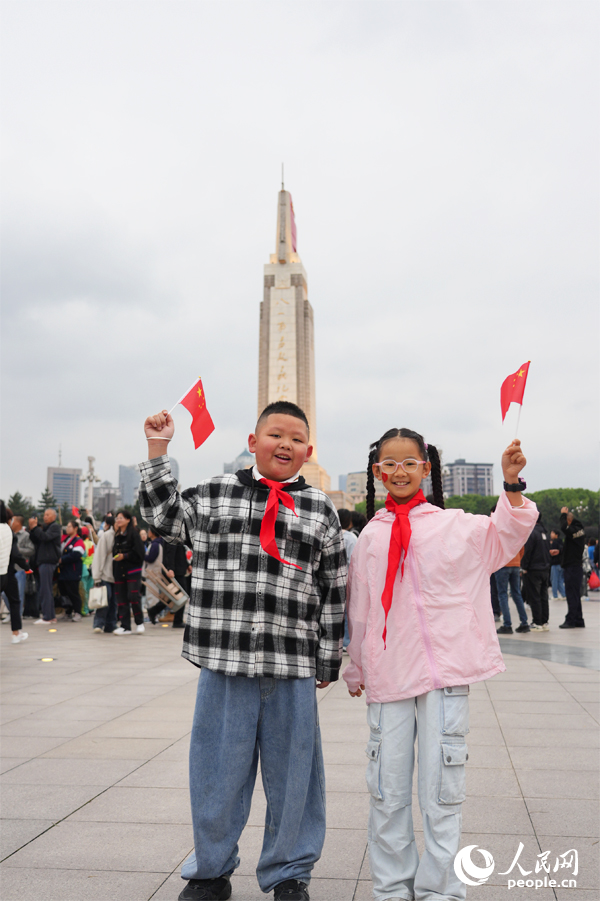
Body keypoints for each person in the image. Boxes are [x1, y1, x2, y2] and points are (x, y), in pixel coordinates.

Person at [139, 401, 346, 901]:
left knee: (295, 775)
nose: (285, 444)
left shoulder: (320, 509)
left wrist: (329, 660)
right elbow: (160, 517)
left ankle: (289, 873)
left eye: (296, 438)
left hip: (291, 663)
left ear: (308, 451)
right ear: (253, 442)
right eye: (275, 434)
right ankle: (211, 870)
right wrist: (158, 449)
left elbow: (335, 588)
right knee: (216, 772)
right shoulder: (213, 495)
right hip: (225, 661)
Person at [343, 428, 537, 901]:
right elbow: (360, 608)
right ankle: (391, 888)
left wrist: (511, 484)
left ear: (427, 469)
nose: (399, 472)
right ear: (377, 472)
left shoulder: (456, 524)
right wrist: (356, 667)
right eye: (389, 463)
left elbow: (506, 533)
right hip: (390, 675)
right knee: (387, 790)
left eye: (410, 462)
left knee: (441, 790)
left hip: (443, 676)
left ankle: (441, 890)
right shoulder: (370, 535)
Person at [112, 510, 146, 635]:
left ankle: (140, 623)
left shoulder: (134, 534)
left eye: (121, 518)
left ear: (128, 520)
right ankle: (125, 626)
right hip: (119, 571)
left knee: (133, 596)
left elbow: (140, 554)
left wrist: (125, 556)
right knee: (121, 599)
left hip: (133, 571)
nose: (118, 520)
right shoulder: (117, 535)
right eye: (117, 518)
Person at [0, 502, 29, 643]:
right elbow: (15, 555)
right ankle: (16, 633)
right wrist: (26, 567)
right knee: (15, 601)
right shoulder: (7, 530)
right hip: (7, 573)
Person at [29, 508, 62, 624]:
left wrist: (35, 528)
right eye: (44, 515)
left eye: (48, 515)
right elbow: (35, 539)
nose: (45, 517)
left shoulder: (55, 527)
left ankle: (47, 617)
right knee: (45, 589)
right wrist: (33, 529)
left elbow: (45, 537)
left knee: (45, 589)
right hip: (43, 561)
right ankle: (50, 616)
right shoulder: (45, 528)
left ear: (54, 517)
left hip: (48, 561)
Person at [521, 513, 551, 631]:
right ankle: (544, 621)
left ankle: (537, 621)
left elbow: (527, 551)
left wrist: (524, 566)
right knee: (544, 595)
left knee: (534, 596)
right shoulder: (544, 533)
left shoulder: (532, 533)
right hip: (545, 568)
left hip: (533, 569)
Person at [559, 507, 586, 628]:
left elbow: (564, 528)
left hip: (572, 567)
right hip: (576, 566)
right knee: (575, 594)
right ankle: (579, 619)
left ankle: (571, 620)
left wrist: (563, 515)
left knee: (571, 594)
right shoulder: (579, 530)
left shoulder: (573, 529)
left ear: (569, 521)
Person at [494, 545, 529, 634]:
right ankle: (524, 623)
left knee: (503, 595)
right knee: (517, 594)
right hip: (516, 564)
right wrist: (517, 560)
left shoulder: (500, 532)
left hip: (502, 564)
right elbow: (522, 547)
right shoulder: (516, 531)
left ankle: (507, 625)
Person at [91, 515, 118, 633]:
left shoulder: (124, 537)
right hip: (105, 574)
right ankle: (98, 624)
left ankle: (111, 625)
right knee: (104, 600)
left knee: (114, 603)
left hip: (117, 576)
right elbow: (99, 556)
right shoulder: (107, 536)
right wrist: (97, 576)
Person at [57, 521, 86, 621]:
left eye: (70, 527)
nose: (67, 528)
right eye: (67, 526)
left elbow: (76, 554)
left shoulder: (78, 540)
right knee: (64, 592)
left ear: (75, 528)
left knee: (73, 592)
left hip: (73, 571)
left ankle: (77, 612)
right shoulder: (65, 539)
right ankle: (67, 611)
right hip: (63, 571)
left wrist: (63, 559)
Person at [337, 509, 357, 651]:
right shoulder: (351, 538)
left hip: (332, 577)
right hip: (348, 578)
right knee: (348, 610)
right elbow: (355, 560)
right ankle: (346, 641)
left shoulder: (332, 533)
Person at [10, 515, 35, 613]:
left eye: (13, 520)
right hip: (10, 568)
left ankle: (17, 615)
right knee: (5, 594)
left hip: (20, 568)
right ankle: (13, 613)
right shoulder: (10, 534)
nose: (11, 522)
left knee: (19, 594)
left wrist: (18, 550)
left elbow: (31, 550)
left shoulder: (25, 535)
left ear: (18, 523)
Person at [549, 530, 566, 599]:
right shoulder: (562, 542)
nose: (551, 534)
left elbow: (551, 552)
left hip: (555, 564)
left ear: (556, 535)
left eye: (552, 533)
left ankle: (555, 595)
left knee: (554, 580)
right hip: (561, 564)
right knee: (560, 580)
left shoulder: (554, 543)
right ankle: (564, 594)